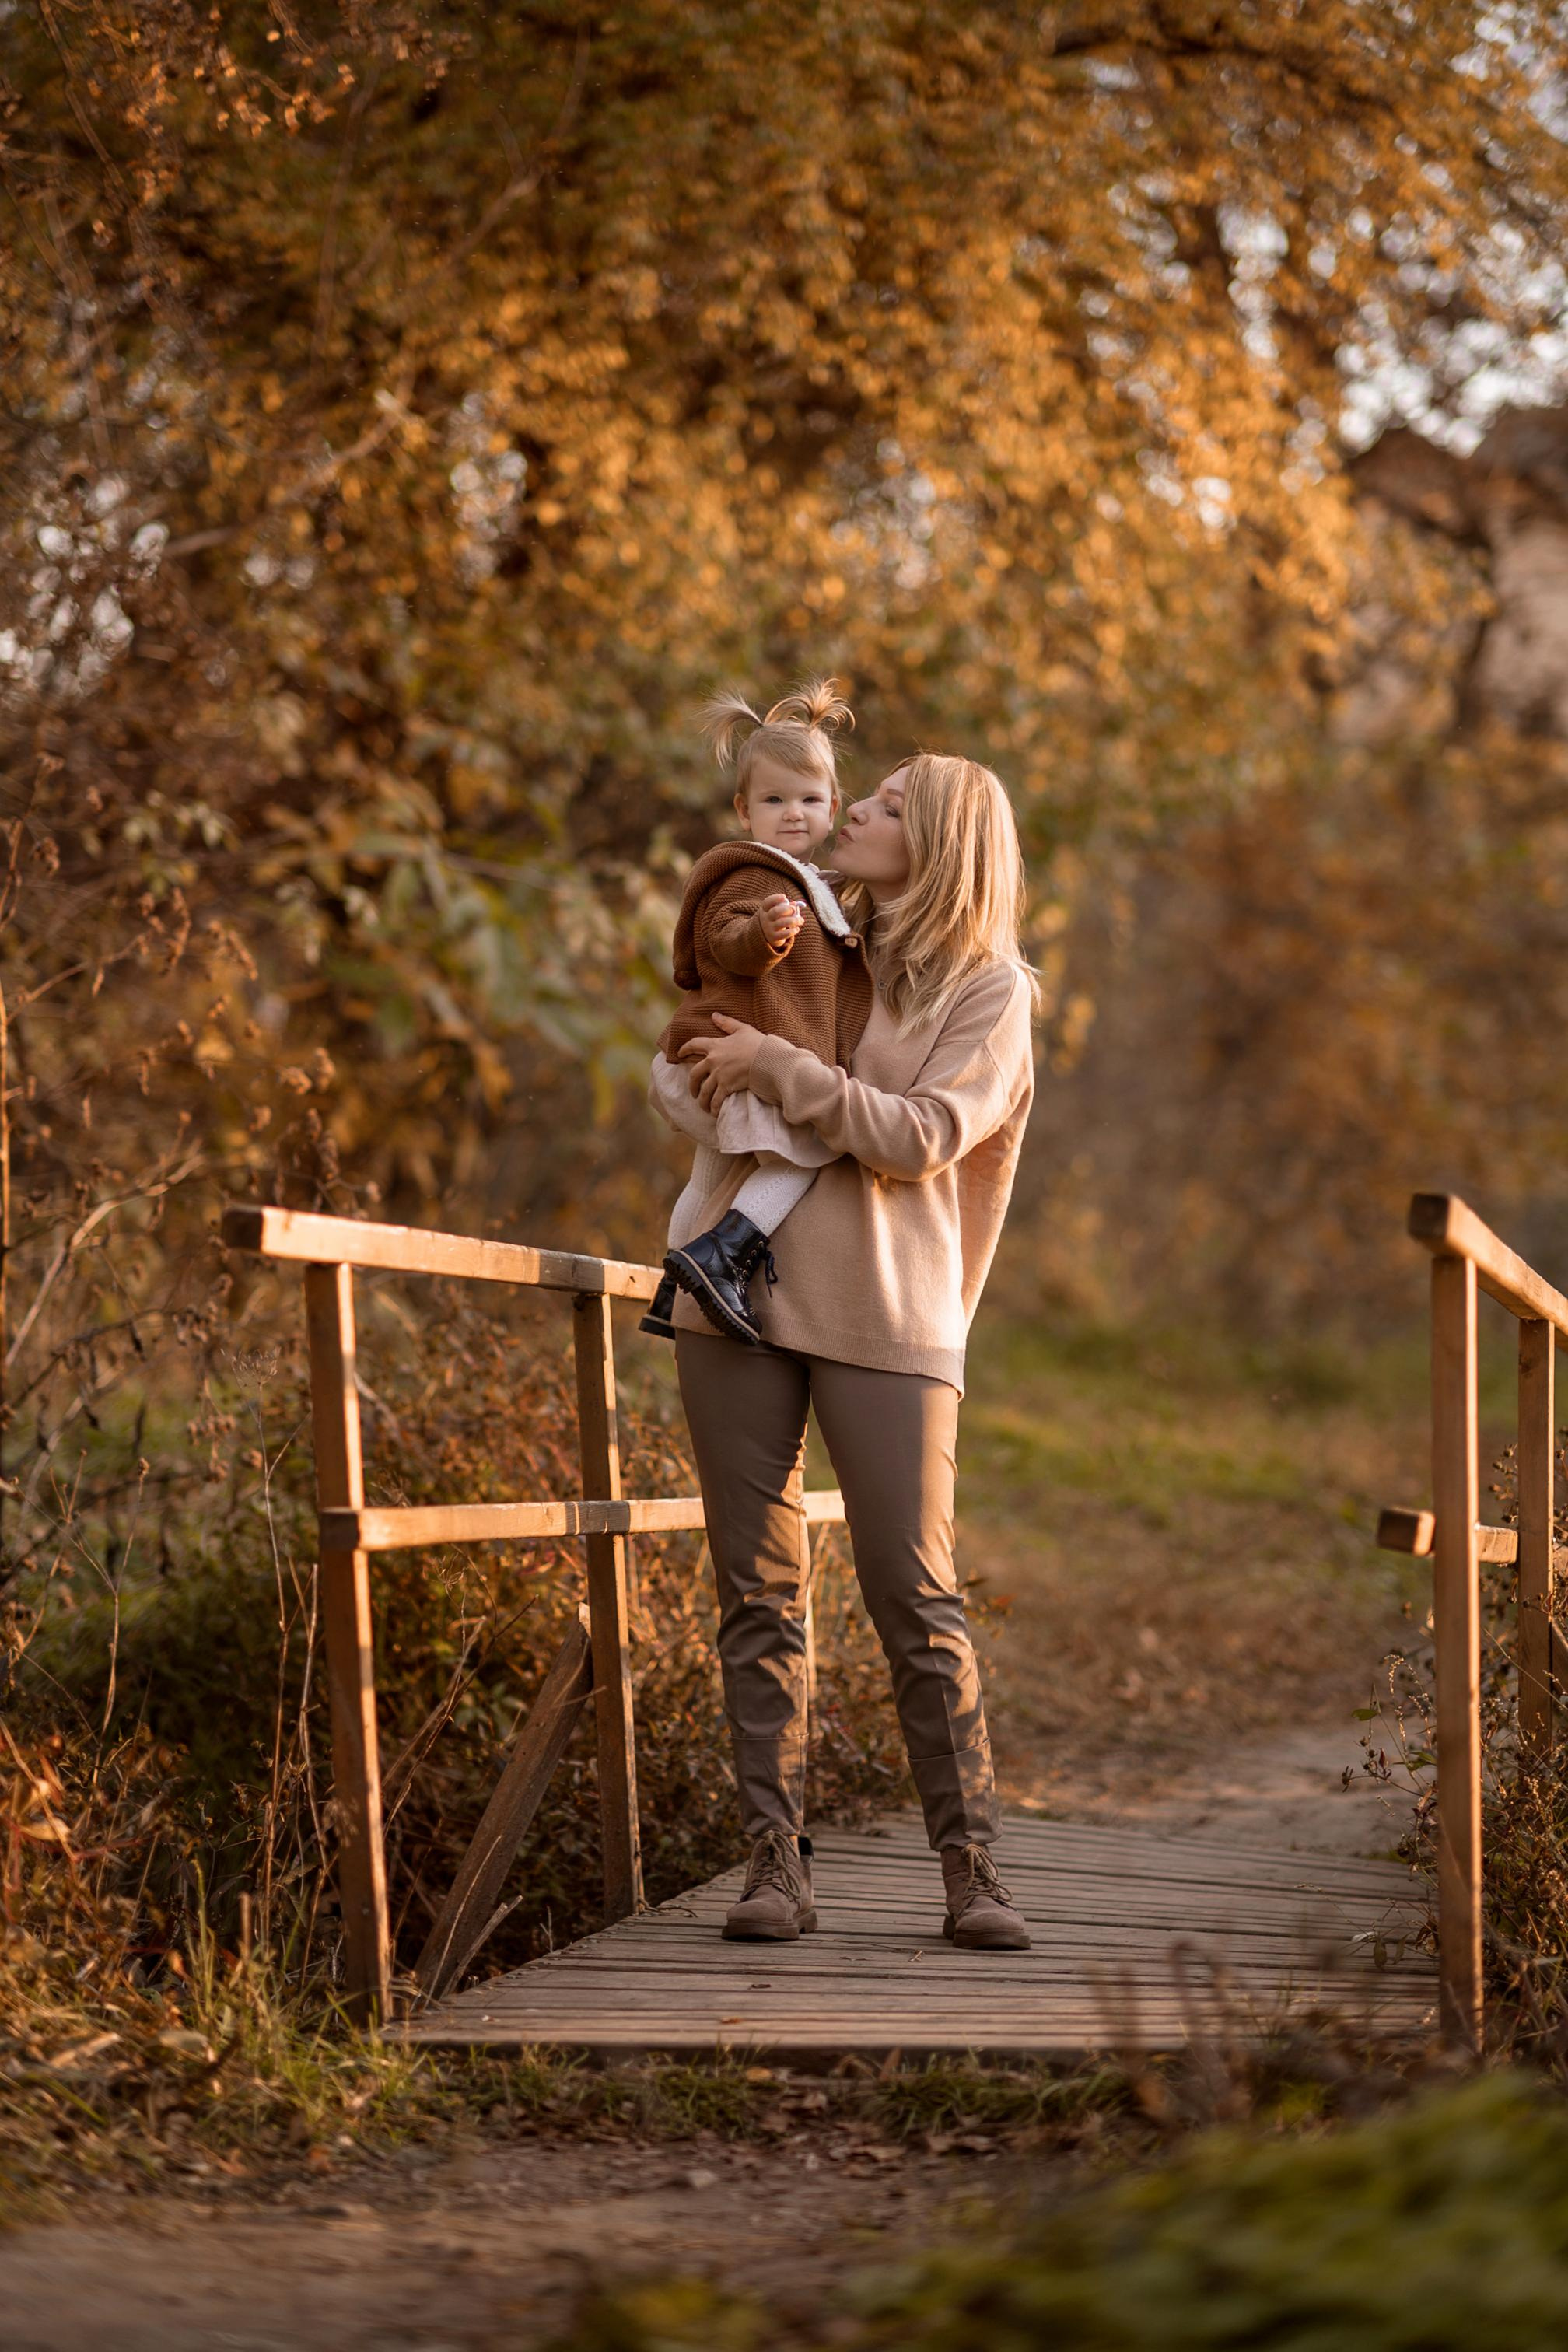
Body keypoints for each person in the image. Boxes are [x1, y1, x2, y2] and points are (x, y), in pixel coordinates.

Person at [670, 752, 1038, 1952]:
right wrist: (698, 1071)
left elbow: (924, 1135)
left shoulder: (988, 990)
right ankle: (773, 1860)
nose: (848, 814)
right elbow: (690, 1061)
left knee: (915, 1596)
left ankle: (971, 1864)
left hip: (892, 1310)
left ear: (936, 841)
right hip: (732, 1298)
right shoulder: (802, 935)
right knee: (756, 1592)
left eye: (881, 806)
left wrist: (783, 1072)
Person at [641, 680, 873, 1346]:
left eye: (808, 800)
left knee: (710, 1174)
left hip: (707, 1061)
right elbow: (727, 942)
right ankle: (726, 1257)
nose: (793, 814)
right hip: (722, 1060)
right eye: (774, 801)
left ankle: (671, 1285)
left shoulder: (809, 885)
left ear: (834, 807)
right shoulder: (754, 879)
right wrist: (764, 935)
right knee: (813, 1151)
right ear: (745, 811)